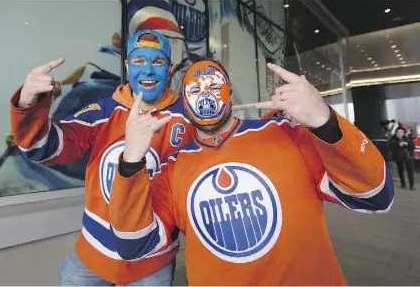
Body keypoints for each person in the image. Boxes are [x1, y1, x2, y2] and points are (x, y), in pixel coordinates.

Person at [109, 60, 394, 285]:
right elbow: (132, 245)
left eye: (213, 87)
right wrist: (131, 162)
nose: (205, 96)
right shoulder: (172, 169)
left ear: (230, 92)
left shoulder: (286, 134)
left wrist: (325, 121)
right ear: (184, 101)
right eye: (195, 91)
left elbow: (375, 195)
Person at [10, 29, 196, 285]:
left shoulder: (189, 118)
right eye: (139, 61)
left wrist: (273, 124)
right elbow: (43, 148)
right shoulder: (103, 112)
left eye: (158, 61)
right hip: (92, 257)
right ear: (128, 66)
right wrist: (28, 104)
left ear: (170, 68)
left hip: (153, 261)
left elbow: (229, 149)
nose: (149, 71)